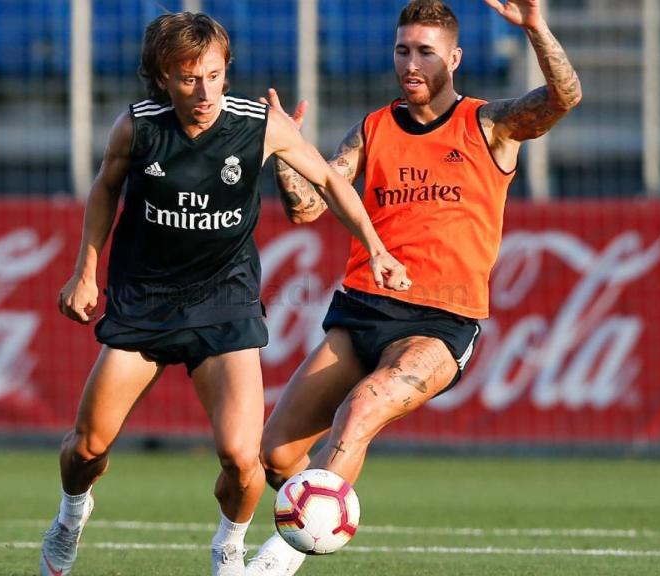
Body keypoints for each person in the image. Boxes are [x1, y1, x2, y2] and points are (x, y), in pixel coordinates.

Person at [39, 11, 409, 576]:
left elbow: (332, 180)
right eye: (189, 78)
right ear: (163, 76)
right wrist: (86, 270)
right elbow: (105, 188)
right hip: (146, 302)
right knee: (87, 448)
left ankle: (228, 548)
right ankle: (71, 515)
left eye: (214, 75)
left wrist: (376, 247)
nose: (205, 90)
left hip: (224, 303)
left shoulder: (259, 125)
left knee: (243, 458)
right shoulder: (137, 127)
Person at [246, 1, 581, 574]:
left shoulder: (489, 124)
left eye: (425, 51)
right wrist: (284, 149)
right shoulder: (373, 130)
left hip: (439, 323)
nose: (411, 62)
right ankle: (317, 501)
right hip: (361, 312)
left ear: (453, 57)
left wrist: (536, 29)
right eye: (403, 49)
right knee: (275, 455)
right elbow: (304, 209)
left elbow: (563, 99)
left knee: (363, 408)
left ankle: (285, 552)